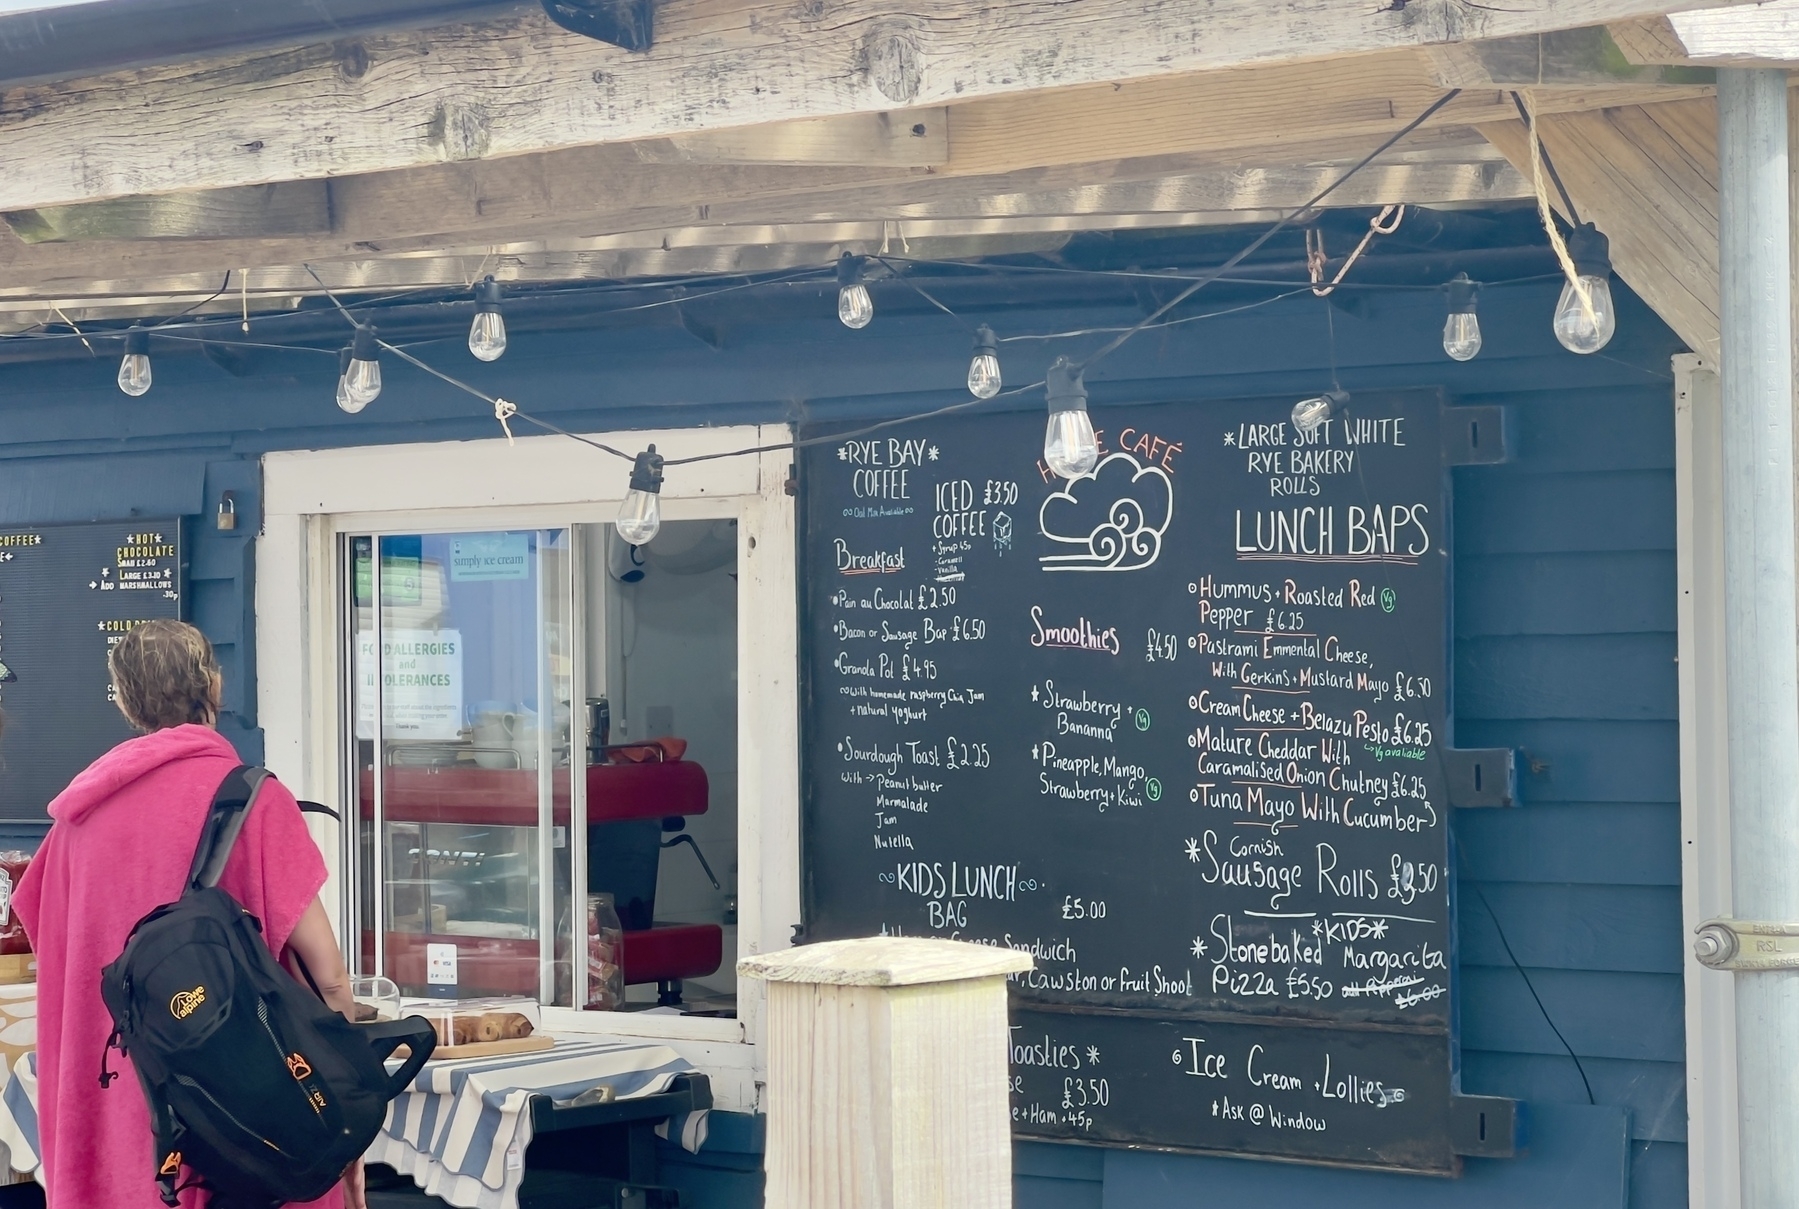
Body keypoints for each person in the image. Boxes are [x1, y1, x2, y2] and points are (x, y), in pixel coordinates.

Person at [15, 620, 364, 1209]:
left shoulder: (75, 820)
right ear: (215, 687)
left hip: (121, 1125)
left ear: (125, 700)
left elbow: (55, 956)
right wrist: (346, 1124)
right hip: (252, 1131)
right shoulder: (252, 799)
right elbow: (328, 976)